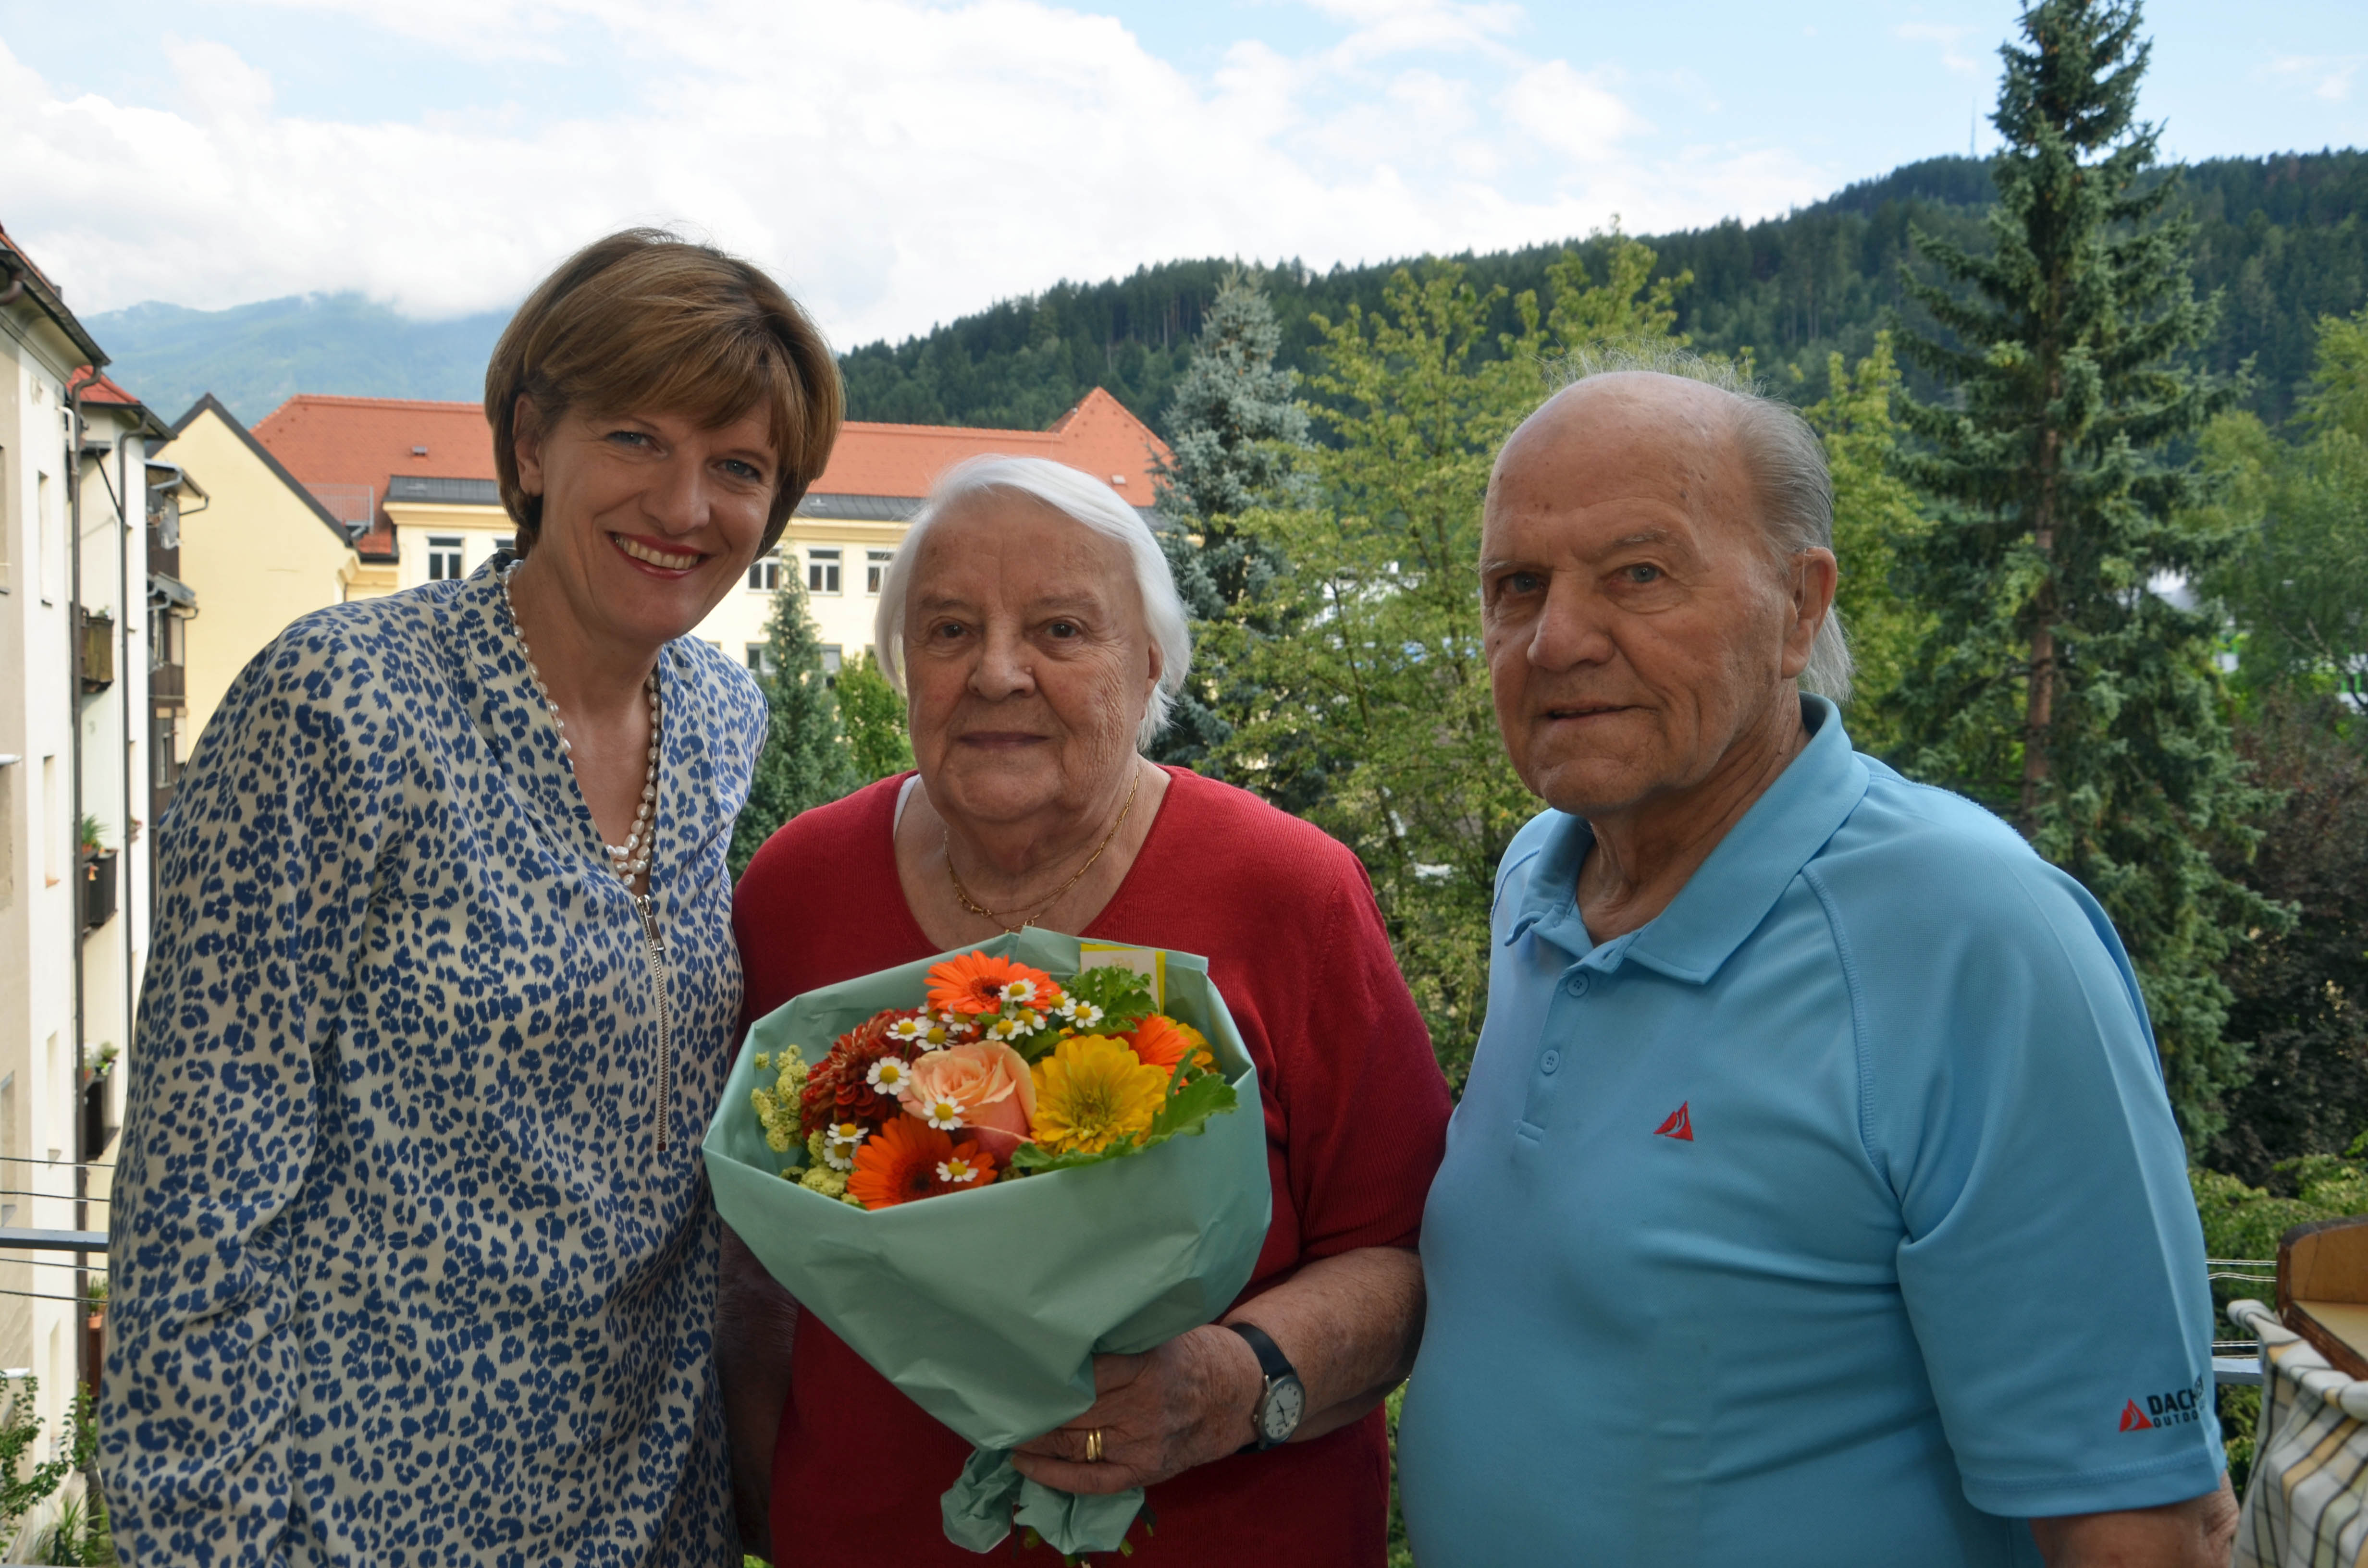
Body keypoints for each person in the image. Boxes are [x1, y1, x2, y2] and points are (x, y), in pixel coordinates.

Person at [1395, 356, 2238, 1568]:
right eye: (1516, 586)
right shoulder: (1538, 880)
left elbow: (2145, 1523)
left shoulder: (1974, 933)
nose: (1557, 639)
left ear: (1798, 605)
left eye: (1638, 573)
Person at [99, 229, 842, 1565]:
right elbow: (197, 1194)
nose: (684, 505)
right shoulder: (341, 702)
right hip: (365, 1512)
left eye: (737, 466)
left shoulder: (724, 714)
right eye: (634, 438)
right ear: (527, 449)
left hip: (648, 1502)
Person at [721, 454, 1452, 1565]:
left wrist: (1230, 1382)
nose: (998, 673)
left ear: (1150, 661)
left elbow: (1403, 1250)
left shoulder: (1286, 891)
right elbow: (757, 1270)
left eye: (1062, 630)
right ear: (900, 665)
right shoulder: (797, 888)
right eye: (949, 630)